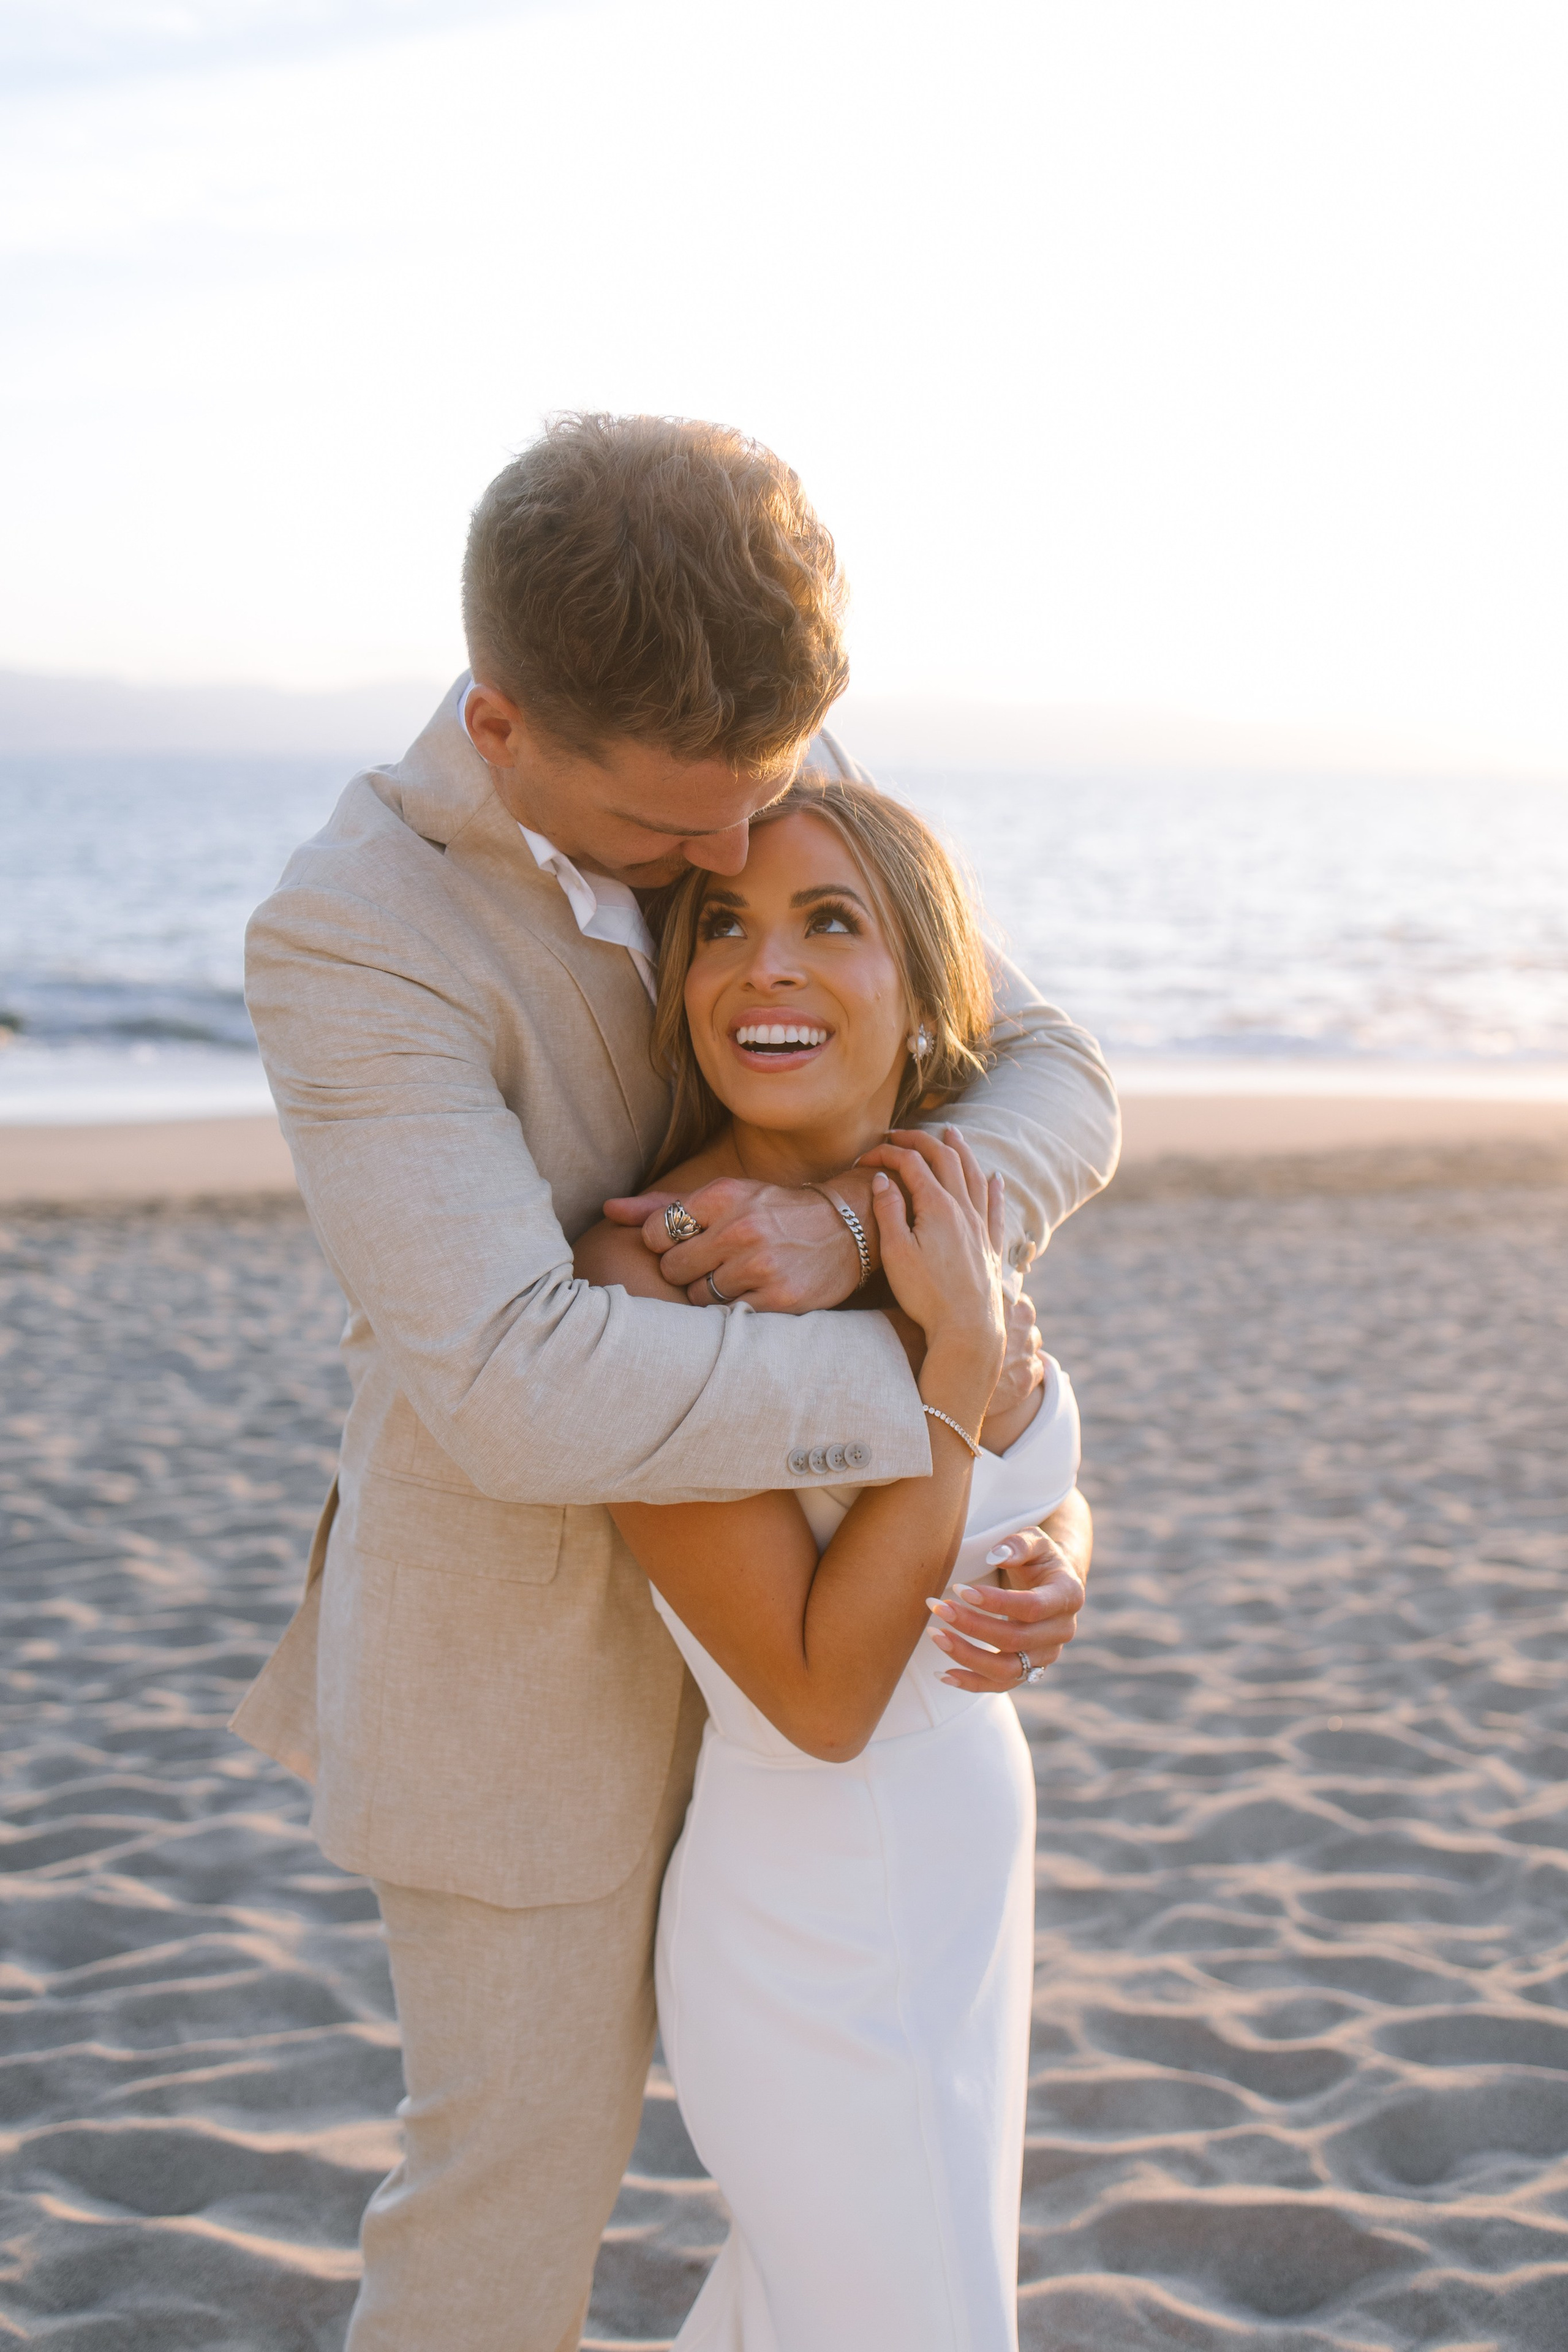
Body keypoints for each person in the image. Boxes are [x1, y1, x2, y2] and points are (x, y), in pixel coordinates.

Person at [230, 413, 1118, 2352]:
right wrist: (929, 1368)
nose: (735, 859)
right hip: (519, 1684)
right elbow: (520, 1384)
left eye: (771, 796)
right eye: (676, 835)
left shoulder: (740, 756)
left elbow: (1043, 1066)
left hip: (842, 1665)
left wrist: (870, 1233)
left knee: (845, 2235)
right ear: (501, 724)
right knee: (509, 2215)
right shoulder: (349, 935)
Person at [575, 775, 1086, 2347]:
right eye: (722, 924)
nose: (763, 965)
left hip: (963, 1858)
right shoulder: (647, 1270)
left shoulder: (936, 1206)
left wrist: (1061, 1559)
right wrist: (949, 1370)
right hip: (817, 1898)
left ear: (925, 992)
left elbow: (1034, 1471)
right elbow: (813, 1694)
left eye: (829, 922)